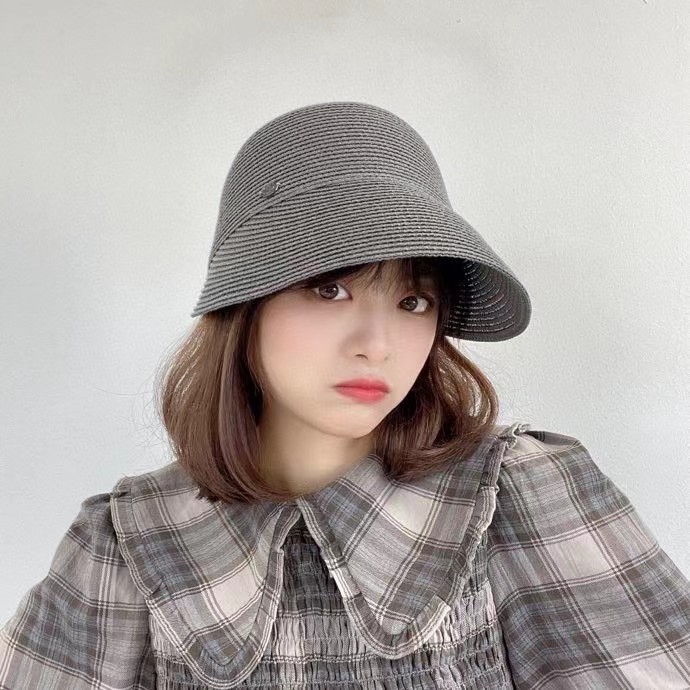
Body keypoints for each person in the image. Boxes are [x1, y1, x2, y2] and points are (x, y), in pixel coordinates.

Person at [1, 101, 689, 689]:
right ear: (246, 306)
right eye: (330, 289)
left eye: (414, 301)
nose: (377, 344)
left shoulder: (515, 495)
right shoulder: (127, 541)